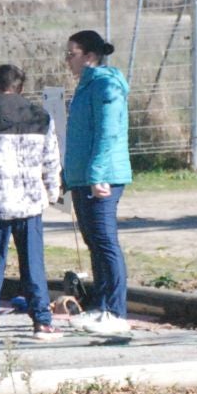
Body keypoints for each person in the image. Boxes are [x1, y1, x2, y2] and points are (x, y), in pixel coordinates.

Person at [0, 63, 63, 340]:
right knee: (33, 264)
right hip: (29, 203)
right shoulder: (40, 116)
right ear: (21, 88)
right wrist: (52, 191)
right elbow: (51, 158)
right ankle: (42, 322)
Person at [61, 30, 133, 336]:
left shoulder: (106, 86)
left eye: (71, 54)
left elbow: (108, 133)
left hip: (101, 177)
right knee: (94, 243)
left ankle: (116, 311)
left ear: (89, 56)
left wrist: (97, 174)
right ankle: (100, 306)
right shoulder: (85, 85)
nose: (67, 61)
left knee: (105, 243)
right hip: (82, 177)